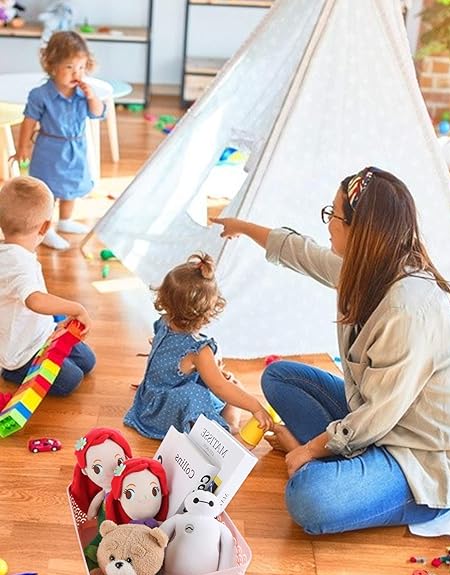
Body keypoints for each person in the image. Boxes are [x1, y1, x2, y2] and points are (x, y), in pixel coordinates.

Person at [212, 167, 450, 535]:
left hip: (421, 460)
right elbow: (301, 252)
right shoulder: (371, 267)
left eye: (334, 214)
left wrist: (309, 450)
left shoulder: (408, 309)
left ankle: (337, 465)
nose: (328, 224)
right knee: (279, 377)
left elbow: (376, 416)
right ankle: (347, 461)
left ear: (361, 232)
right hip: (380, 425)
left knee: (308, 499)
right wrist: (242, 227)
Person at [124, 252, 274, 440]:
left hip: (149, 398)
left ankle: (228, 423)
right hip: (160, 413)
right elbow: (219, 386)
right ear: (210, 309)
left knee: (229, 385)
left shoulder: (164, 322)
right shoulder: (199, 350)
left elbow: (164, 353)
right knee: (209, 391)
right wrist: (255, 407)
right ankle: (227, 429)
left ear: (164, 298)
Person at [9, 31, 106, 250]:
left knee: (71, 187)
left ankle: (65, 221)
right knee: (49, 192)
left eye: (81, 67)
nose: (77, 73)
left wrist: (92, 96)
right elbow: (28, 122)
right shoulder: (40, 94)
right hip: (50, 150)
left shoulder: (83, 93)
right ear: (52, 66)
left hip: (76, 148)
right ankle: (47, 229)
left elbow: (98, 113)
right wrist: (22, 148)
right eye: (70, 67)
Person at [0, 176, 95, 394]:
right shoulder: (17, 264)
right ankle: (11, 372)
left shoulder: (12, 247)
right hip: (21, 353)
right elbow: (34, 300)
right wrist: (76, 308)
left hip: (41, 332)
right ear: (45, 227)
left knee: (87, 361)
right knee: (72, 379)